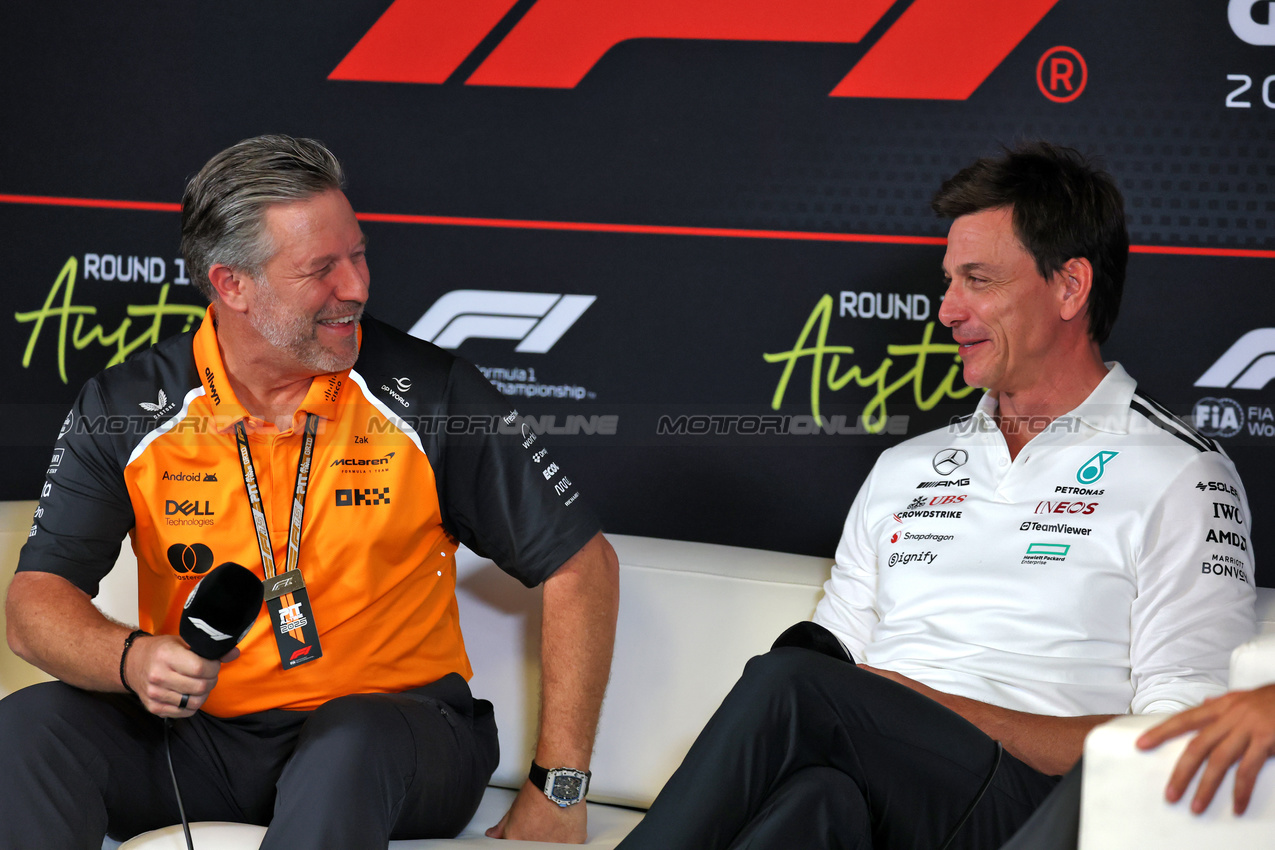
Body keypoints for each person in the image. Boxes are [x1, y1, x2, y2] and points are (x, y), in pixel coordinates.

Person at [616, 142, 1256, 850]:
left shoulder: (1179, 475)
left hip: (1033, 812)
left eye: (976, 280)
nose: (947, 310)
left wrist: (931, 708)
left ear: (1070, 286)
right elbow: (838, 656)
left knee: (794, 685)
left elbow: (1171, 746)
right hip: (884, 788)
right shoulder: (904, 466)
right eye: (947, 281)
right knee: (817, 799)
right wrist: (878, 708)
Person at [1, 135, 619, 849]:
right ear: (232, 284)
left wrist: (559, 788)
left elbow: (582, 565)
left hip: (397, 737)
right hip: (201, 740)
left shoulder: (429, 393)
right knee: (29, 729)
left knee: (346, 742)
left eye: (357, 255)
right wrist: (130, 658)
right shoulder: (129, 404)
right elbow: (34, 603)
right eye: (321, 269)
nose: (355, 286)